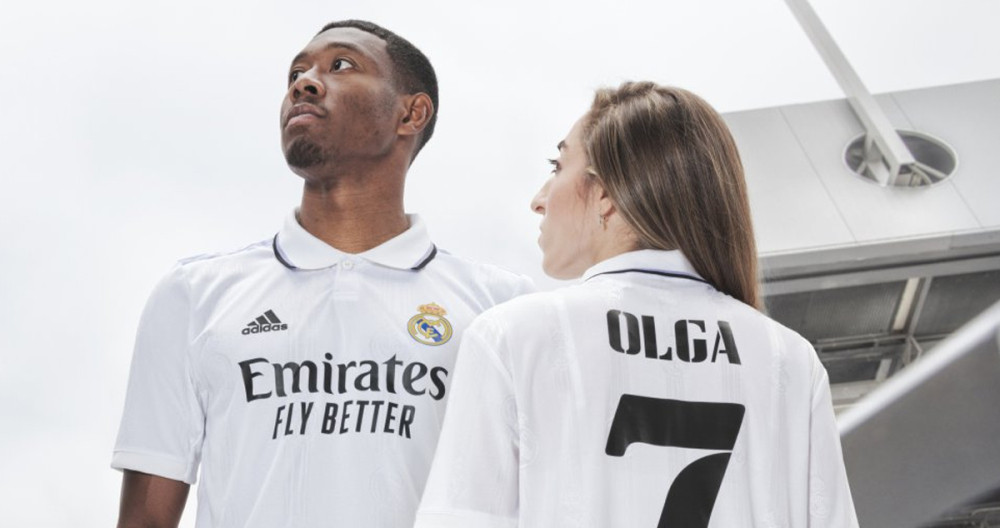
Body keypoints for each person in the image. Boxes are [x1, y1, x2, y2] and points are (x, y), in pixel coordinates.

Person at [112, 20, 533, 528]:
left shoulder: (502, 307)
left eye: (340, 65)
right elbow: (146, 521)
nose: (304, 83)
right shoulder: (194, 295)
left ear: (411, 113)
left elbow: (533, 501)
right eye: (296, 72)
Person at [415, 82, 859, 528]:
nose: (539, 199)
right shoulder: (790, 360)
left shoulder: (512, 337)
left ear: (606, 193)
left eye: (558, 165)